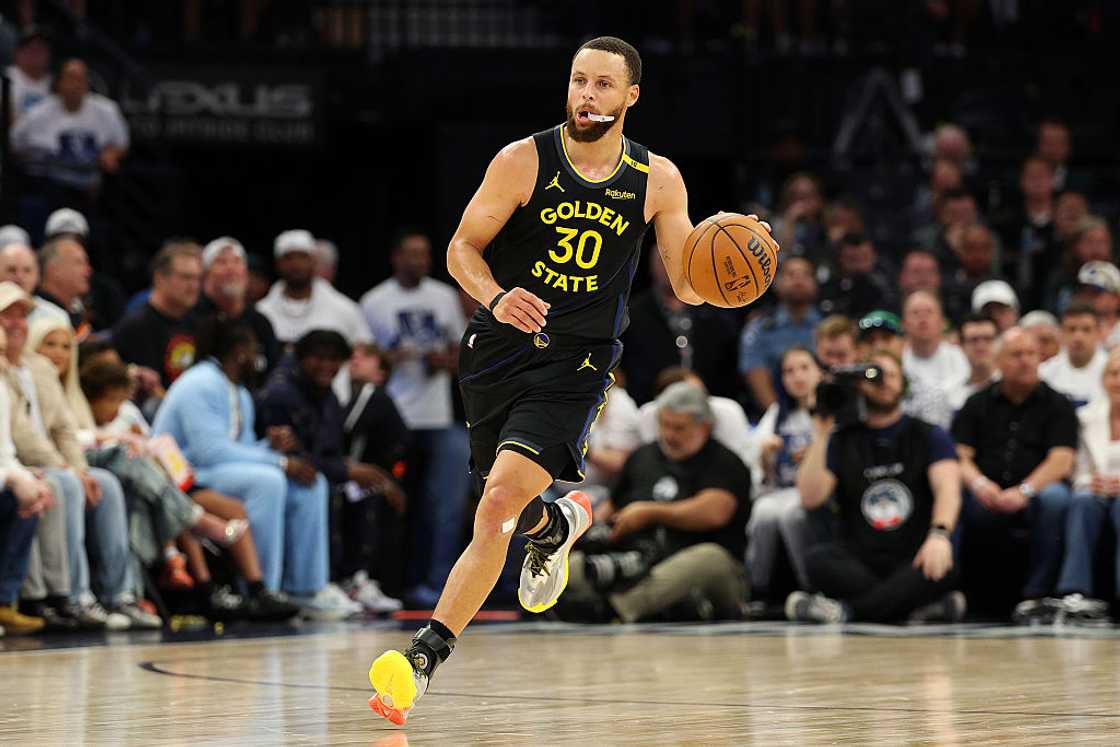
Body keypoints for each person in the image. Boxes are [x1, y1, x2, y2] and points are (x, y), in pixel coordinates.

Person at [368, 36, 779, 725]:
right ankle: (555, 523)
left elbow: (686, 281)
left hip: (577, 362)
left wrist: (738, 254)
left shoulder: (658, 178)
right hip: (497, 349)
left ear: (630, 97)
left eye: (601, 85)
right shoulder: (523, 160)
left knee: (495, 502)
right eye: (578, 81)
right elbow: (461, 248)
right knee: (506, 507)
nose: (586, 96)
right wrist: (497, 296)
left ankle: (421, 658)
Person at [151, 319, 359, 620]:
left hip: (215, 470)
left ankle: (306, 588)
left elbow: (240, 448)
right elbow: (209, 452)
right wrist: (280, 462)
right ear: (238, 351)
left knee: (310, 483)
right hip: (184, 475)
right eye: (252, 348)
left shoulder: (238, 391)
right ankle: (262, 589)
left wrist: (269, 447)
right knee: (269, 481)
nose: (257, 355)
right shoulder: (201, 383)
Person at [0, 282, 156, 629]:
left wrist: (81, 469)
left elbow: (64, 429)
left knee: (107, 484)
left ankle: (120, 595)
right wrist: (67, 470)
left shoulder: (37, 367)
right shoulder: (2, 370)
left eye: (21, 316)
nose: (15, 323)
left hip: (50, 462)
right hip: (23, 462)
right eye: (6, 315)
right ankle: (67, 595)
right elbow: (22, 434)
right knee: (62, 486)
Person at [786, 350, 963, 624]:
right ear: (859, 384)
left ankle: (847, 612)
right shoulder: (842, 439)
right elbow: (810, 498)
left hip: (913, 553)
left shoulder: (928, 434)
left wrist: (939, 534)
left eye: (891, 375)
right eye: (874, 375)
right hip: (860, 558)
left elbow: (948, 489)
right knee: (817, 560)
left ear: (903, 383)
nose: (884, 382)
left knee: (943, 565)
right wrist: (821, 432)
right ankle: (913, 609)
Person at [559, 382, 750, 623]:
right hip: (639, 558)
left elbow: (715, 512)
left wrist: (650, 513)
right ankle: (571, 603)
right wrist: (595, 530)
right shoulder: (643, 457)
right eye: (665, 425)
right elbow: (611, 507)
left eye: (679, 428)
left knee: (709, 558)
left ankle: (614, 610)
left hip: (707, 569)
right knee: (574, 565)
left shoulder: (724, 463)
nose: (670, 435)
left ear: (704, 427)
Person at [256, 329, 404, 613]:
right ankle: (312, 584)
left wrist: (354, 471)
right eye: (319, 359)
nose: (327, 366)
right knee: (325, 487)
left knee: (368, 489)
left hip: (314, 471)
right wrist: (347, 470)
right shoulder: (281, 394)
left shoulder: (325, 394)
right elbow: (295, 457)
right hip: (279, 473)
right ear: (302, 358)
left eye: (334, 360)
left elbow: (327, 450)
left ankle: (353, 579)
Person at [360, 229, 470, 607]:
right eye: (410, 254)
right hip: (393, 417)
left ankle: (438, 585)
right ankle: (383, 583)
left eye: (423, 255)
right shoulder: (375, 302)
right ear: (395, 258)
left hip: (438, 417)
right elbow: (364, 361)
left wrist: (446, 361)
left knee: (442, 505)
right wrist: (388, 360)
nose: (418, 261)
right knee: (389, 504)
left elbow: (463, 353)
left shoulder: (443, 297)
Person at [952, 328, 1077, 623]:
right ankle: (962, 595)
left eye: (1031, 354)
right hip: (986, 488)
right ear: (998, 362)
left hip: (1036, 490)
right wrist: (980, 484)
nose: (1025, 361)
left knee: (1056, 500)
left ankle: (1036, 596)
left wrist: (1024, 491)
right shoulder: (976, 404)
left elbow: (1061, 460)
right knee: (956, 498)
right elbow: (959, 456)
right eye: (1016, 355)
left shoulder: (1058, 404)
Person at [1051, 349, 1120, 624]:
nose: (1119, 380)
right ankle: (1075, 592)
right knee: (1081, 501)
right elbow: (1076, 469)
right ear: (1104, 380)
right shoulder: (1086, 417)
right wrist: (1091, 482)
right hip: (1096, 490)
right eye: (1114, 374)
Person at [747, 347, 820, 597]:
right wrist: (766, 455)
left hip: (816, 489)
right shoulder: (777, 414)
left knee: (792, 515)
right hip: (782, 488)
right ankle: (758, 588)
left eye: (804, 368)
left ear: (818, 371)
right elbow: (761, 472)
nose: (797, 376)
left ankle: (810, 585)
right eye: (789, 371)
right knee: (763, 514)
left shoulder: (828, 407)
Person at [10, 58, 129, 210]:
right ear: (59, 84)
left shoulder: (107, 110)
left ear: (87, 84)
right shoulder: (39, 113)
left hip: (93, 187)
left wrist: (112, 153)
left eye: (80, 79)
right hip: (51, 184)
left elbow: (122, 143)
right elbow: (14, 142)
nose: (75, 85)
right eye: (70, 79)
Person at [113, 240, 203, 390]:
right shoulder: (135, 326)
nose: (194, 286)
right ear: (160, 278)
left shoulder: (198, 323)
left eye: (197, 278)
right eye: (186, 277)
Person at [257, 229, 371, 345]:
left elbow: (364, 349)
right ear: (277, 264)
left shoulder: (345, 309)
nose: (296, 264)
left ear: (314, 261)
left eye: (303, 257)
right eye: (288, 258)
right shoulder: (262, 312)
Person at [195, 236, 281, 387]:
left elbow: (273, 374)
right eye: (221, 262)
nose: (231, 268)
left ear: (246, 274)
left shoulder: (260, 323)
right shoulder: (191, 318)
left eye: (237, 261)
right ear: (206, 274)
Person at [738, 256, 820, 411]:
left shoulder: (826, 326)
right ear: (776, 282)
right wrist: (780, 418)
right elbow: (755, 373)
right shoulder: (759, 329)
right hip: (776, 415)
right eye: (791, 274)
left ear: (815, 283)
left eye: (805, 274)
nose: (798, 280)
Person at [901, 290, 969, 406]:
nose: (922, 318)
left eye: (929, 312)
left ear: (942, 322)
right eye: (915, 313)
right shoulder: (897, 363)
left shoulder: (962, 359)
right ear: (904, 324)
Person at [1039, 301, 1107, 408]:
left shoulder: (1113, 372)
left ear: (1099, 333)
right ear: (1061, 333)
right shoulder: (1044, 373)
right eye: (1071, 329)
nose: (1078, 337)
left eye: (1086, 330)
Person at [947, 314, 999, 411]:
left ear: (997, 343)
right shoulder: (950, 392)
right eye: (974, 340)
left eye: (988, 339)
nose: (981, 346)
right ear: (961, 346)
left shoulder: (1012, 387)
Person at [6, 27, 52, 121]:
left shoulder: (56, 83)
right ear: (18, 53)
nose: (36, 54)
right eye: (31, 49)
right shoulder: (5, 78)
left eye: (41, 49)